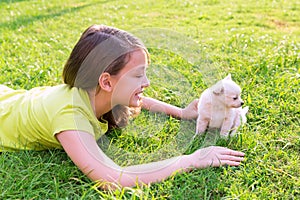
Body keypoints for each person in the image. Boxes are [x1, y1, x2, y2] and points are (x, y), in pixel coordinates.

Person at [0, 24, 244, 189]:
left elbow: (139, 100)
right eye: (138, 75)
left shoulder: (95, 94)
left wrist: (181, 112)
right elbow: (111, 179)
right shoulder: (69, 115)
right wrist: (188, 160)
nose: (147, 83)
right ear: (106, 81)